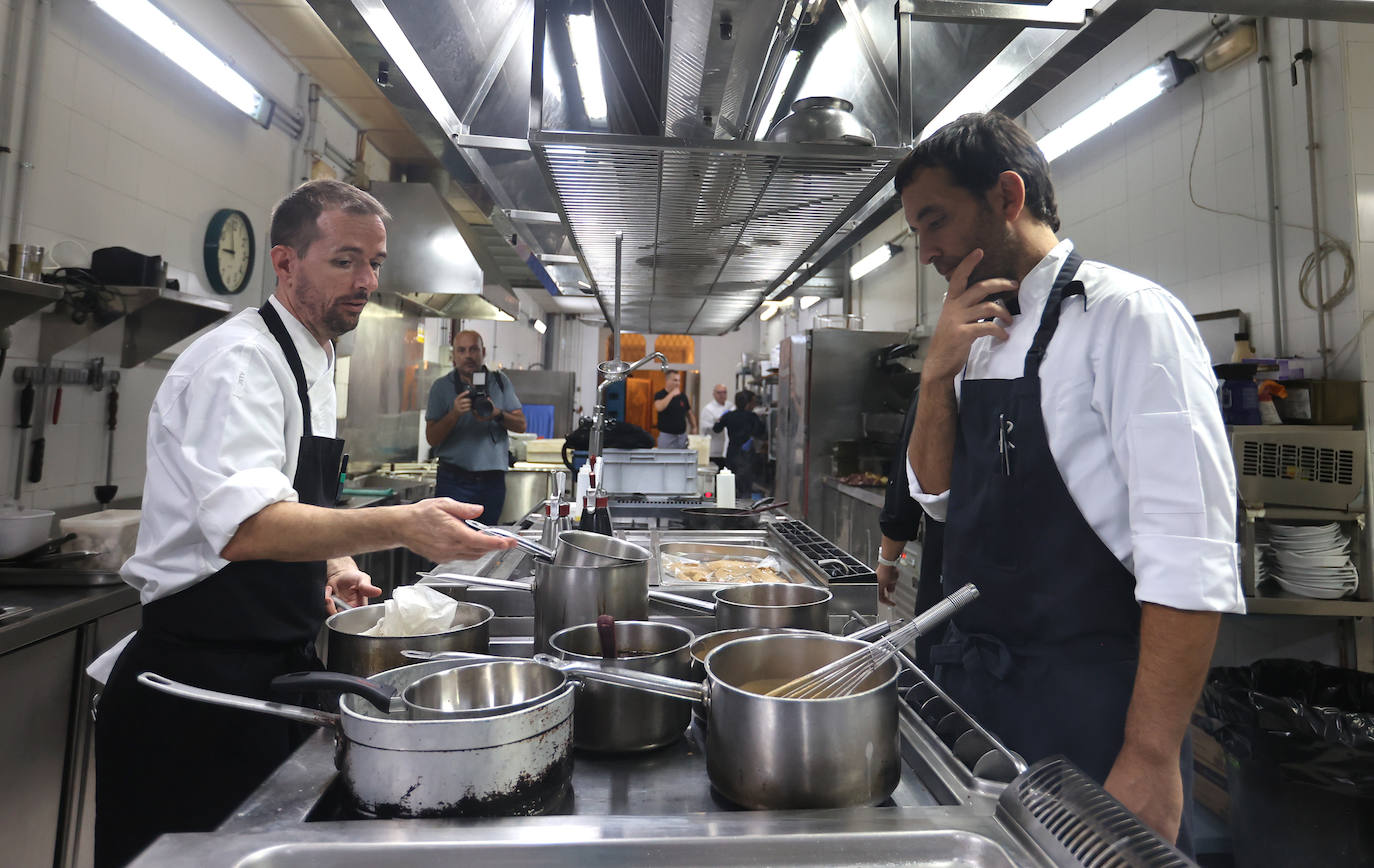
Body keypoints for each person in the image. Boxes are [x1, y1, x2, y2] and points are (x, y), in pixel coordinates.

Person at [92, 180, 515, 868]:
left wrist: (330, 565)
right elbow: (248, 528)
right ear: (285, 262)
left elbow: (281, 496)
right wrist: (401, 526)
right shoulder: (240, 362)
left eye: (375, 262)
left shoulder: (310, 355)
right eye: (345, 261)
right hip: (198, 694)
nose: (367, 281)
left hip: (263, 677)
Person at [900, 112, 1244, 849]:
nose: (926, 250)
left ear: (1007, 197)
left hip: (1089, 713)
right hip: (979, 703)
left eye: (936, 222)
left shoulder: (1130, 319)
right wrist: (936, 376)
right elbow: (938, 500)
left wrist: (1151, 757)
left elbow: (1188, 555)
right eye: (916, 234)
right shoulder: (977, 330)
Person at [425, 329, 527, 523]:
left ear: (484, 352)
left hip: (492, 481)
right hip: (453, 480)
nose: (468, 356)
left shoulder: (499, 382)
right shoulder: (441, 387)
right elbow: (432, 438)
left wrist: (497, 414)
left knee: (485, 543)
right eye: (462, 350)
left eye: (473, 349)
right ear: (453, 356)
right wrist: (454, 414)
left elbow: (521, 425)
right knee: (451, 543)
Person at [713, 390, 763, 501]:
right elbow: (761, 432)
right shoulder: (752, 416)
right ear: (748, 403)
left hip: (732, 452)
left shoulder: (729, 416)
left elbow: (716, 429)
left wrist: (721, 419)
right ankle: (745, 509)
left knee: (731, 484)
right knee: (745, 486)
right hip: (747, 454)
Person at [653, 370, 695, 449]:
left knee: (681, 460)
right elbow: (659, 407)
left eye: (679, 380)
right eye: (675, 380)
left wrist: (694, 427)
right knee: (665, 459)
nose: (678, 383)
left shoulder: (683, 396)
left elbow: (689, 413)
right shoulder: (660, 394)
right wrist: (672, 394)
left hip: (681, 436)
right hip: (666, 436)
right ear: (667, 380)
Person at [699, 383, 731, 469]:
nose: (722, 395)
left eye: (724, 392)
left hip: (727, 448)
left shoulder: (730, 407)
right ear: (714, 394)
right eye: (719, 392)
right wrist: (718, 422)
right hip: (713, 450)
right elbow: (705, 427)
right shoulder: (708, 409)